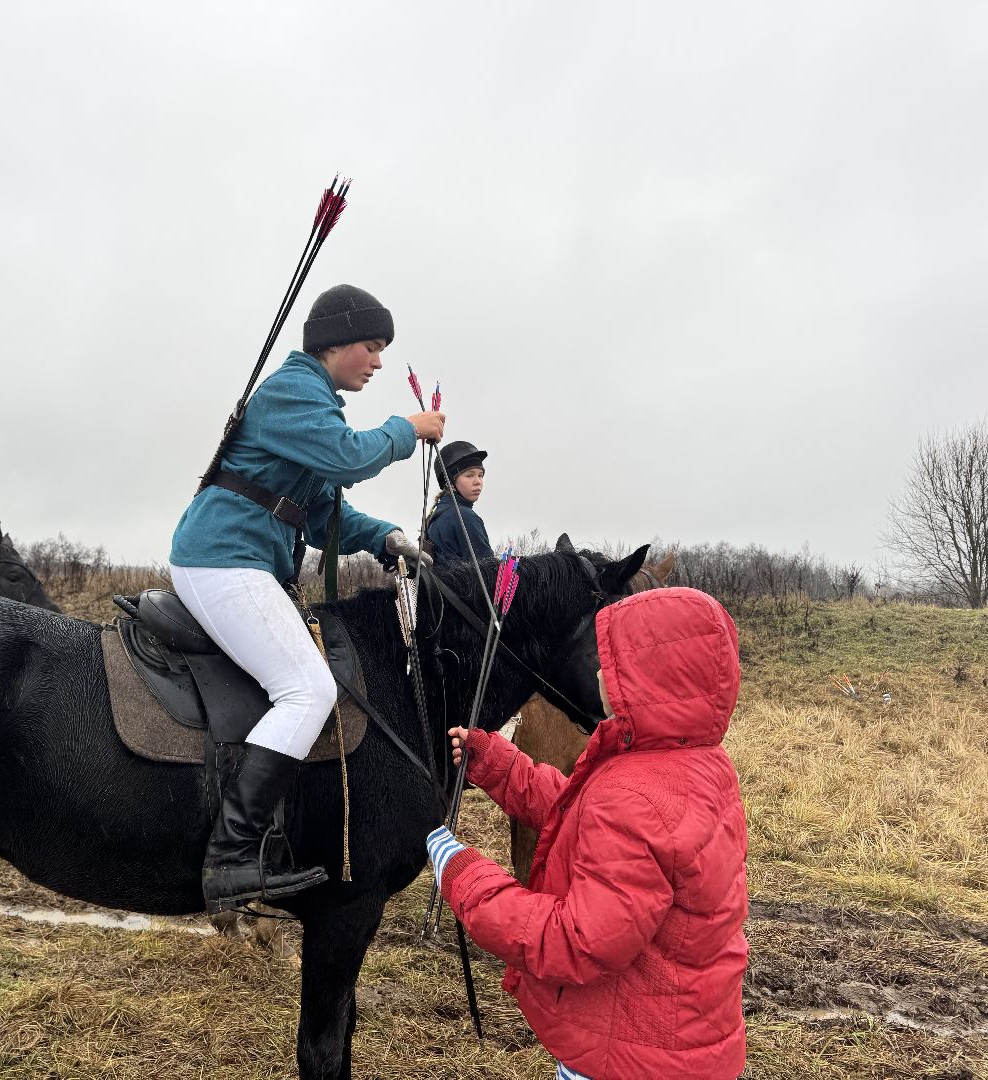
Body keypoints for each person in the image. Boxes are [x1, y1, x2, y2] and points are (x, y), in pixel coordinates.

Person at [171, 283, 445, 913]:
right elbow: (348, 459)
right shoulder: (294, 390)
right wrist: (407, 429)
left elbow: (323, 506)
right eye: (371, 347)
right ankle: (231, 857)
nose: (378, 362)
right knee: (310, 690)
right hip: (222, 559)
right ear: (334, 344)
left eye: (382, 351)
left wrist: (385, 538)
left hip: (242, 563)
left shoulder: (315, 401)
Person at [425, 587, 748, 1079]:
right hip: (681, 1040)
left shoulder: (634, 794)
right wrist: (499, 765)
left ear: (651, 680)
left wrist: (464, 875)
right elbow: (583, 815)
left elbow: (577, 940)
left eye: (612, 663)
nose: (598, 672)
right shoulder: (690, 766)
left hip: (628, 1059)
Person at [425, 439, 492, 562]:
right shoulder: (464, 516)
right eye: (469, 475)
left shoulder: (438, 513)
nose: (478, 481)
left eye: (480, 475)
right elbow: (489, 572)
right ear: (450, 482)